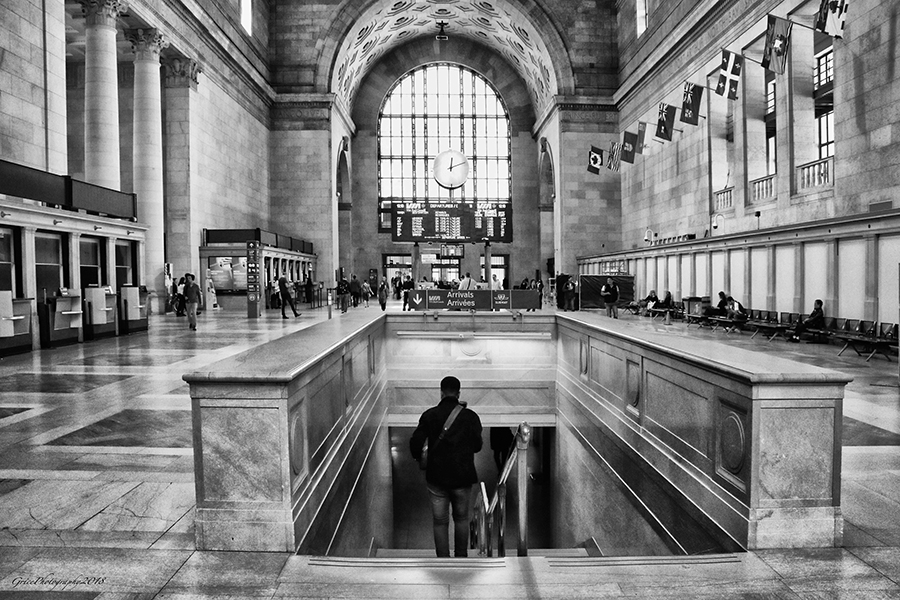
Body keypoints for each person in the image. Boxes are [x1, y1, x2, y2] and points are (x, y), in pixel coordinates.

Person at [409, 376, 483, 558]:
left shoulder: (429, 415)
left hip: (437, 478)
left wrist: (421, 458)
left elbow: (415, 443)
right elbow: (478, 446)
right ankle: (461, 557)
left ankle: (442, 559)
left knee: (440, 521)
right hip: (462, 477)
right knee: (461, 518)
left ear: (441, 392)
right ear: (459, 393)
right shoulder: (470, 417)